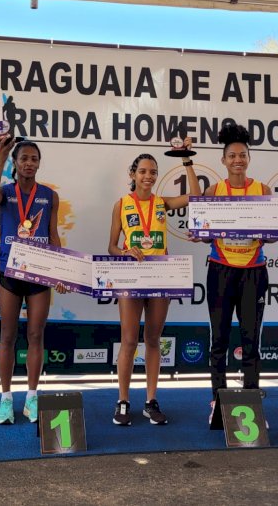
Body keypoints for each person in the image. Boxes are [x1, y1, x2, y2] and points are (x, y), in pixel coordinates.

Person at [107, 141, 200, 426]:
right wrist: (124, 252)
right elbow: (111, 246)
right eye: (143, 171)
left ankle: (150, 401)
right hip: (132, 277)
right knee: (129, 340)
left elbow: (196, 197)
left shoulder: (163, 203)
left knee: (152, 340)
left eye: (153, 172)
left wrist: (186, 161)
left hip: (160, 275)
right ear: (133, 174)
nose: (148, 176)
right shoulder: (121, 204)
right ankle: (123, 401)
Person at [0, 136, 65, 425]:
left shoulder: (49, 195)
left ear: (39, 163)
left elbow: (53, 234)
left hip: (40, 273)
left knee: (35, 335)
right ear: (15, 164)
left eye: (34, 159)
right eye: (24, 159)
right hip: (10, 273)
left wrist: (61, 270)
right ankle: (6, 399)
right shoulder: (5, 192)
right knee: (7, 335)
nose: (29, 163)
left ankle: (32, 395)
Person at [202, 123, 271, 424]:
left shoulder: (263, 190)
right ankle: (217, 400)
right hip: (220, 271)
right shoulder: (213, 191)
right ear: (224, 160)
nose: (237, 160)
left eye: (242, 155)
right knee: (219, 339)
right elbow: (205, 234)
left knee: (250, 340)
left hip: (253, 272)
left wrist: (263, 229)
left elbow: (269, 233)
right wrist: (202, 232)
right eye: (232, 156)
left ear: (249, 158)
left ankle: (252, 399)